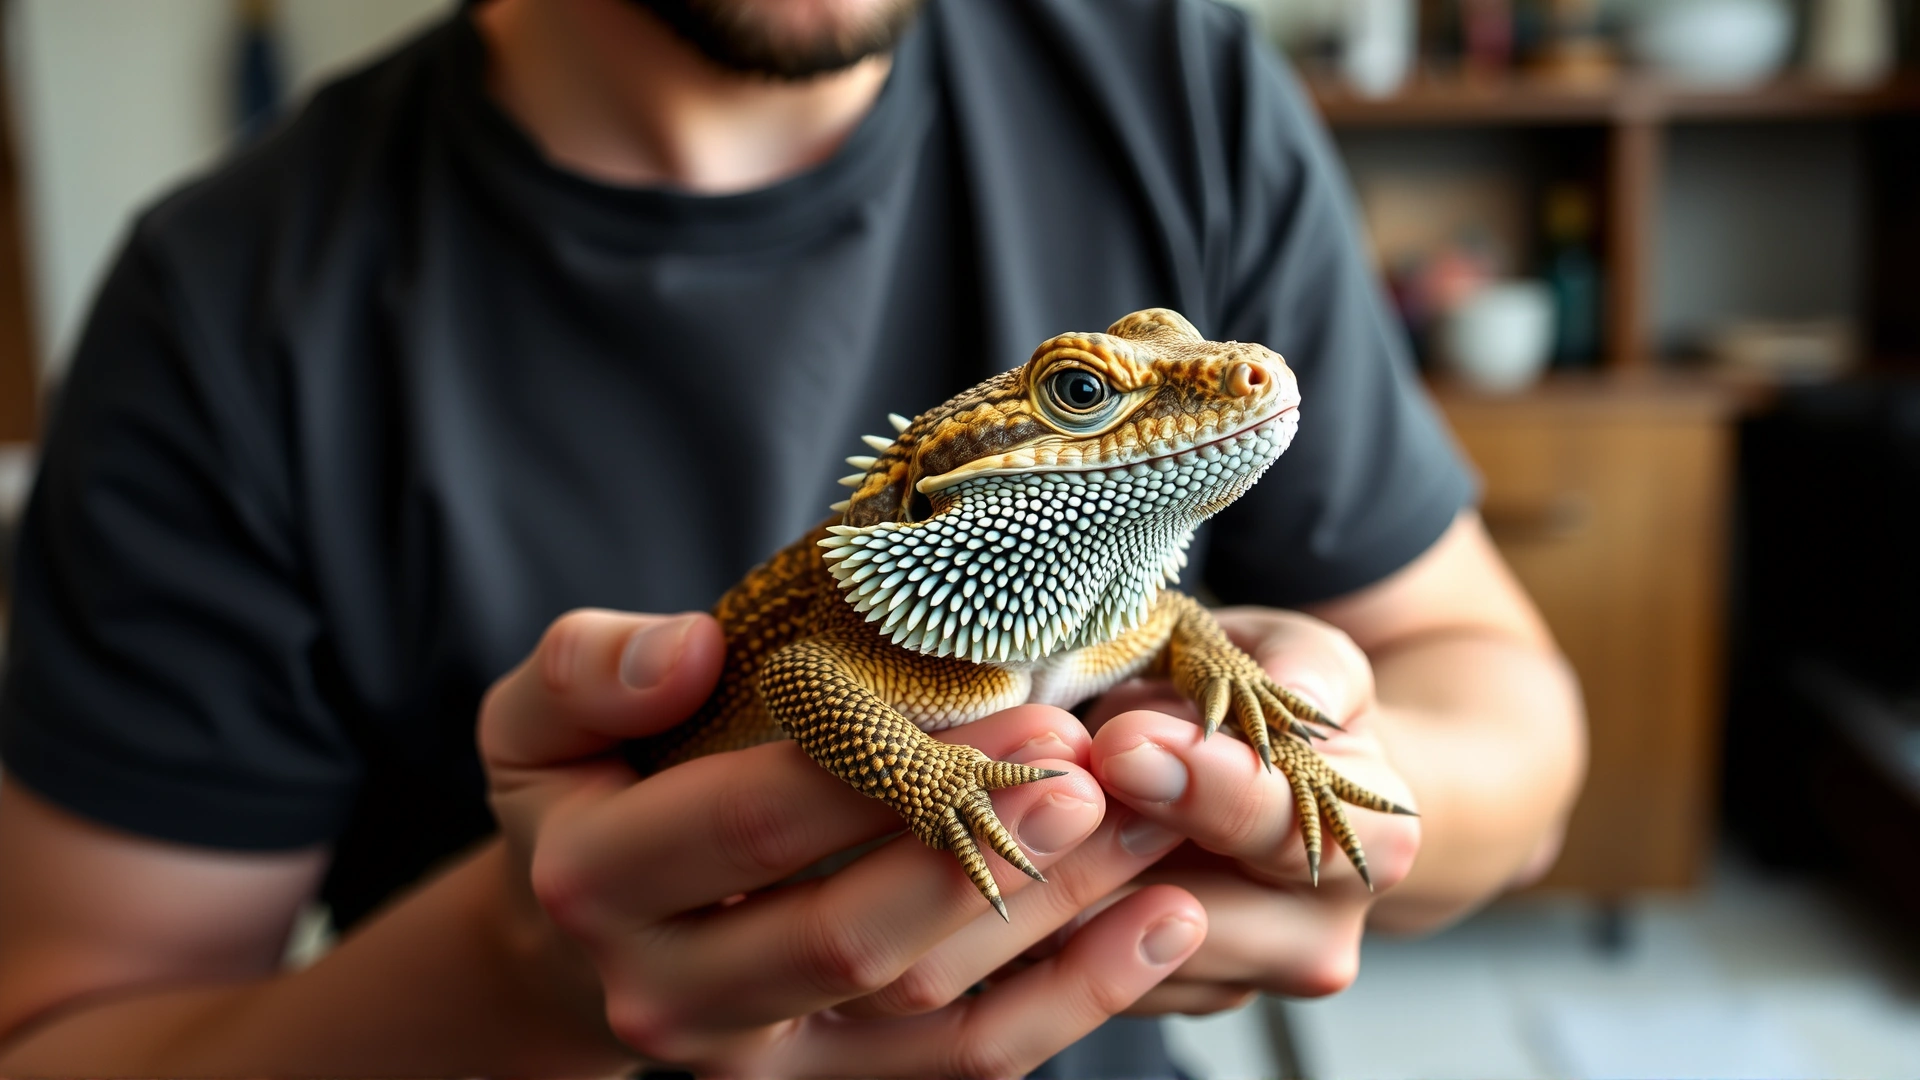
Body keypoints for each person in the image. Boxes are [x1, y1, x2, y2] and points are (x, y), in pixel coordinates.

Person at [0, 0, 1584, 1074]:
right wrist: (528, 970)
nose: (1227, 381)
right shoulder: (227, 299)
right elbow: (65, 1037)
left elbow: (1507, 718)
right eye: (1093, 390)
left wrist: (1342, 792)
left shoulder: (1179, 81)